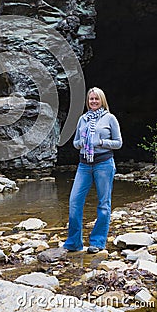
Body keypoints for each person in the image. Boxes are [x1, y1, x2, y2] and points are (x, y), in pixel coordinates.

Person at [63, 87, 122, 254]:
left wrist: (100, 142)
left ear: (102, 100)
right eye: (91, 99)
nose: (94, 102)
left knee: (104, 204)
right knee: (74, 201)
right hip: (84, 165)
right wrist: (82, 142)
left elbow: (118, 143)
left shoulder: (110, 118)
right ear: (87, 102)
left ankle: (97, 242)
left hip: (104, 163)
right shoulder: (83, 119)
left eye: (97, 99)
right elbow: (75, 142)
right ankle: (74, 242)